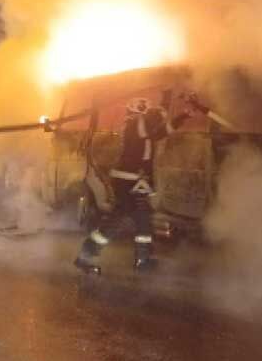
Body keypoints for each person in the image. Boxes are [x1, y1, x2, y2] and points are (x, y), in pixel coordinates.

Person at [74, 96, 193, 273]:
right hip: (127, 183)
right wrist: (162, 107)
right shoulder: (134, 125)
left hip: (135, 183)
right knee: (117, 222)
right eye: (146, 111)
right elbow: (152, 123)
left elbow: (163, 131)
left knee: (142, 220)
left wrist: (183, 116)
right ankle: (86, 257)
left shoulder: (144, 130)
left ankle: (142, 261)